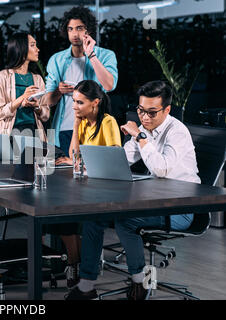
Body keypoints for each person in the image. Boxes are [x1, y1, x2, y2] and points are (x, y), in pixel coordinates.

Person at [66, 80, 200, 300]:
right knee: (93, 218)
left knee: (126, 221)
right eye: (141, 110)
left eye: (151, 112)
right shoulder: (145, 129)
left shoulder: (177, 132)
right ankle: (86, 285)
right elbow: (121, 160)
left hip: (181, 207)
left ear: (167, 110)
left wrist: (139, 136)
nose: (145, 117)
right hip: (153, 200)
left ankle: (140, 283)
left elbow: (162, 168)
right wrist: (91, 168)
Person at [49, 80, 121, 289]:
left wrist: (80, 163)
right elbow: (74, 155)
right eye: (73, 101)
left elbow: (113, 159)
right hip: (86, 185)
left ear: (95, 102)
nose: (74, 106)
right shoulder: (83, 122)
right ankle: (74, 260)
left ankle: (76, 264)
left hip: (105, 188)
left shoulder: (108, 122)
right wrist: (75, 124)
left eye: (80, 102)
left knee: (72, 212)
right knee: (57, 209)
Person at [44, 6, 118, 156]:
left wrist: (91, 54)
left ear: (88, 30)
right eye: (70, 29)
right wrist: (59, 91)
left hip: (93, 128)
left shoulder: (106, 55)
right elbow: (47, 101)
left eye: (79, 28)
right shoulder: (57, 60)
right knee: (64, 176)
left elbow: (109, 85)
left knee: (91, 173)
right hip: (64, 129)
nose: (74, 34)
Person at [0, 32, 50, 141]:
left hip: (35, 133)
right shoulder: (1, 77)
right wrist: (21, 99)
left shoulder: (38, 79)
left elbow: (45, 116)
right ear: (21, 49)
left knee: (55, 156)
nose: (37, 49)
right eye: (32, 45)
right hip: (12, 134)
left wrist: (37, 106)